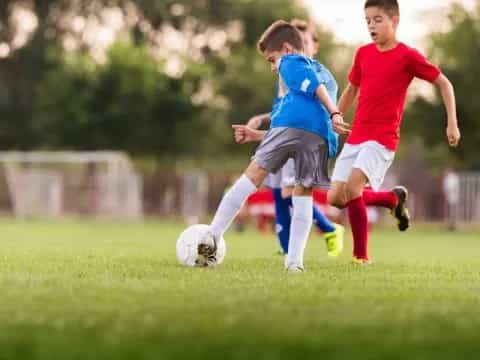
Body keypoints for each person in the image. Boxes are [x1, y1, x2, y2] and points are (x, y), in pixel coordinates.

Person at [200, 20, 348, 271]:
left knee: (252, 176)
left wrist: (335, 113)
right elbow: (298, 108)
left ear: (288, 49)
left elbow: (312, 89)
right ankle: (294, 263)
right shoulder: (325, 72)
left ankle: (212, 235)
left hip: (293, 127)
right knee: (302, 196)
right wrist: (257, 134)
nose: (272, 67)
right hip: (318, 138)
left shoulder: (292, 61)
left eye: (271, 60)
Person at [327, 0, 461, 264]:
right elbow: (352, 89)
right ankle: (391, 199)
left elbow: (444, 84)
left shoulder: (407, 56)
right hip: (357, 136)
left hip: (382, 139)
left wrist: (452, 123)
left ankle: (360, 257)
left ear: (395, 21)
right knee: (336, 198)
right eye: (367, 21)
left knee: (354, 186)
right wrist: (336, 114)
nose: (371, 26)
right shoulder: (363, 53)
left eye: (377, 20)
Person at [245, 19, 344, 257]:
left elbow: (310, 106)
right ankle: (286, 246)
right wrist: (262, 118)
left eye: (307, 40)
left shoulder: (313, 72)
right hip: (285, 131)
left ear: (313, 45)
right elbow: (286, 107)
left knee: (290, 192)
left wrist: (334, 114)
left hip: (302, 138)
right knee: (279, 192)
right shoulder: (286, 70)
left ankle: (328, 229)